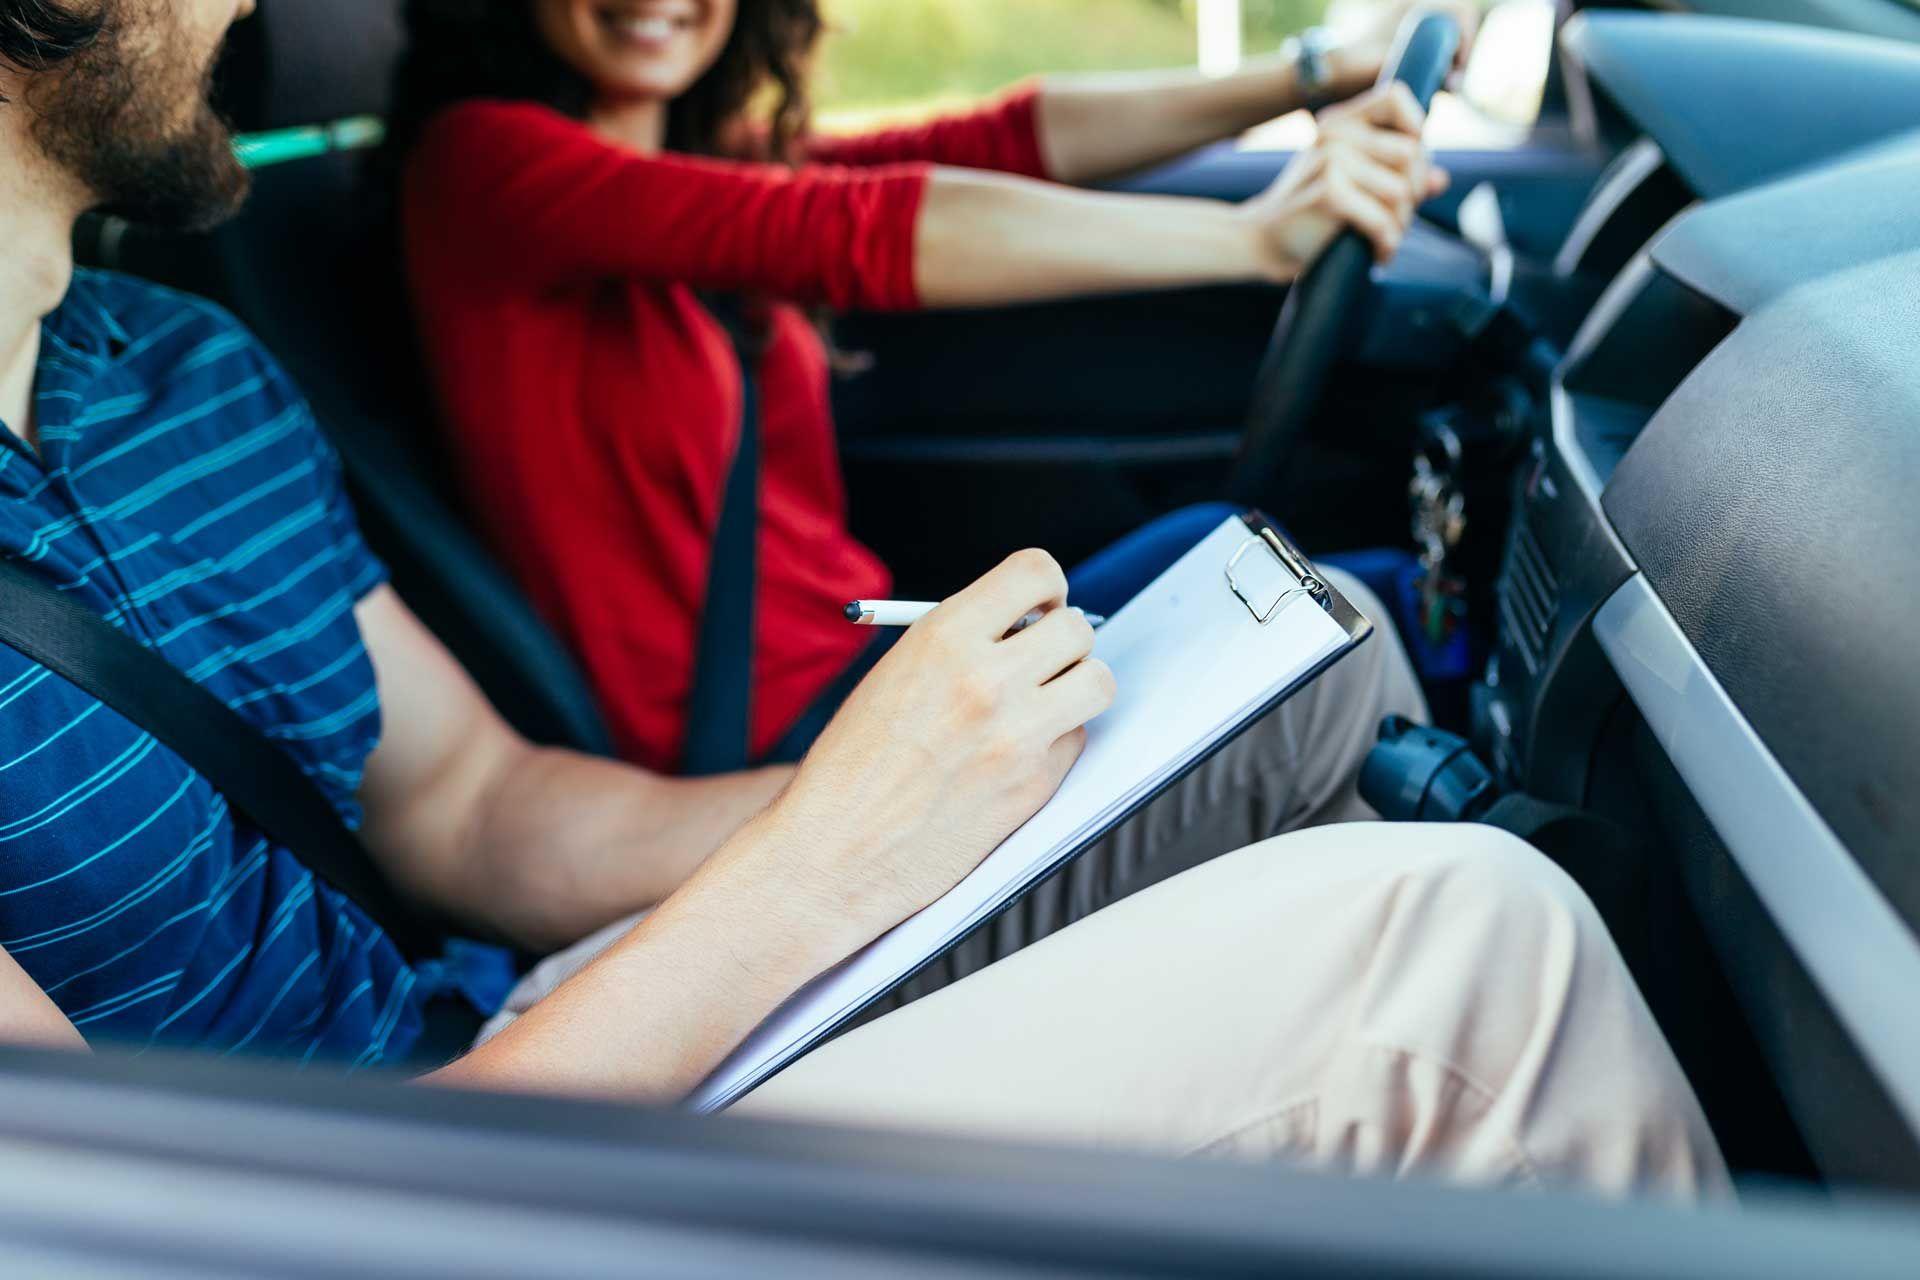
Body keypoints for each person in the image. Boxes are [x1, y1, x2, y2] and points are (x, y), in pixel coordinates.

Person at [0, 0, 1727, 1198]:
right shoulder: (497, 165)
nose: (248, 12)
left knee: (1303, 682)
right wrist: (831, 853)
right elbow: (117, 1225)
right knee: (1473, 955)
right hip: (439, 1196)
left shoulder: (186, 370)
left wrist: (880, 810)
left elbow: (475, 797)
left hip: (515, 1024)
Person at [393, 0, 1466, 774]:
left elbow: (1002, 141)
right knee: (1348, 618)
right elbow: (855, 230)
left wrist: (1317, 73)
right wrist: (1252, 239)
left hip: (866, 671)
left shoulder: (708, 156)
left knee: (1336, 588)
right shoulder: (484, 166)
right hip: (784, 745)